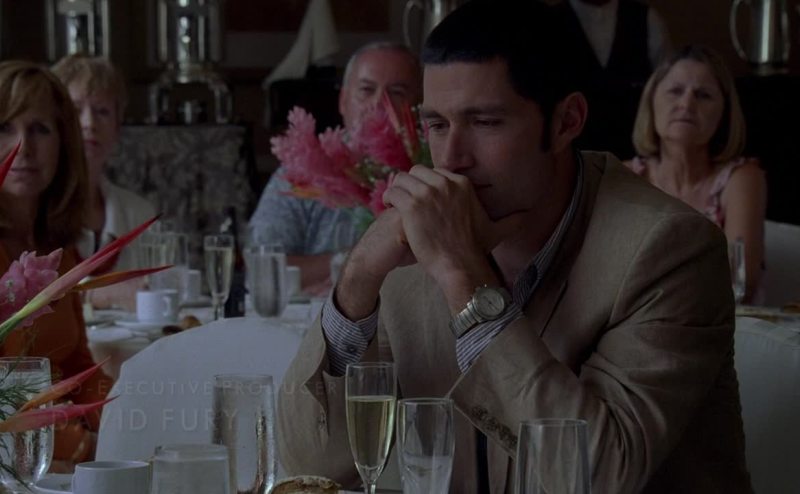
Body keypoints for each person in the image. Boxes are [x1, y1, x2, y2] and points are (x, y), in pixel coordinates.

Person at [277, 2, 751, 493]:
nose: (452, 159)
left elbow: (597, 477)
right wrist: (357, 280)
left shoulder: (671, 250)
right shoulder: (413, 243)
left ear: (566, 121)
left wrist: (463, 277)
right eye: (437, 125)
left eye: (485, 122)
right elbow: (309, 465)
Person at [0, 61, 112, 466]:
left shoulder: (58, 249)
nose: (23, 147)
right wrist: (85, 446)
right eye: (4, 128)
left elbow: (78, 365)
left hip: (57, 459)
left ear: (64, 143)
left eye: (40, 129)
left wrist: (123, 415)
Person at [248, 41, 421, 292]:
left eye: (397, 92)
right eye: (366, 90)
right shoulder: (302, 171)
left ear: (419, 103)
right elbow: (261, 268)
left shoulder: (429, 173)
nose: (378, 104)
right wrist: (352, 262)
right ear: (343, 101)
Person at [626, 45, 766, 304]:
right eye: (675, 91)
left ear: (724, 113)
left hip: (721, 322)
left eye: (703, 95)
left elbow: (741, 280)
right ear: (651, 101)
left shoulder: (741, 178)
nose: (686, 104)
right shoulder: (624, 177)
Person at [51, 54, 156, 310]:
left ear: (118, 126)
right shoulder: (33, 211)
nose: (89, 124)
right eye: (76, 110)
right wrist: (98, 294)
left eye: (102, 111)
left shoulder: (140, 213)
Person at [562, 0, 673, 160]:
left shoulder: (646, 20)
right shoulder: (549, 22)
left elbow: (667, 94)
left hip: (636, 160)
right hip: (569, 162)